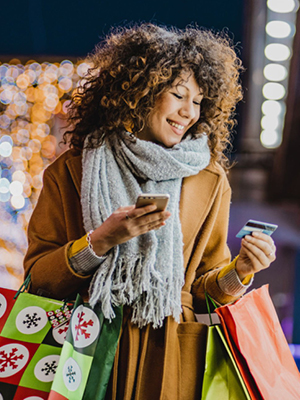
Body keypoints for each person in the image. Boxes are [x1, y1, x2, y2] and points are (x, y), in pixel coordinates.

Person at [23, 23, 276, 400]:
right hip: (84, 357)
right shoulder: (71, 171)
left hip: (170, 362)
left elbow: (204, 289)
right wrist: (99, 242)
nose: (189, 112)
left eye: (199, 101)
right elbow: (38, 279)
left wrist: (240, 273)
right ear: (139, 93)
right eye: (178, 95)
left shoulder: (209, 180)